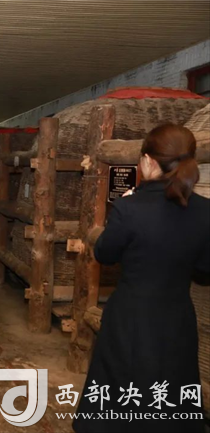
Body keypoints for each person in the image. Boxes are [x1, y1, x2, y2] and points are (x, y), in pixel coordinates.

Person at [73, 124, 210, 433]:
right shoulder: (204, 211)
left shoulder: (130, 207)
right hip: (177, 318)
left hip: (130, 317)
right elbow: (205, 269)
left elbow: (105, 253)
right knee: (171, 391)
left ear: (148, 161)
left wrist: (120, 211)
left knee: (120, 391)